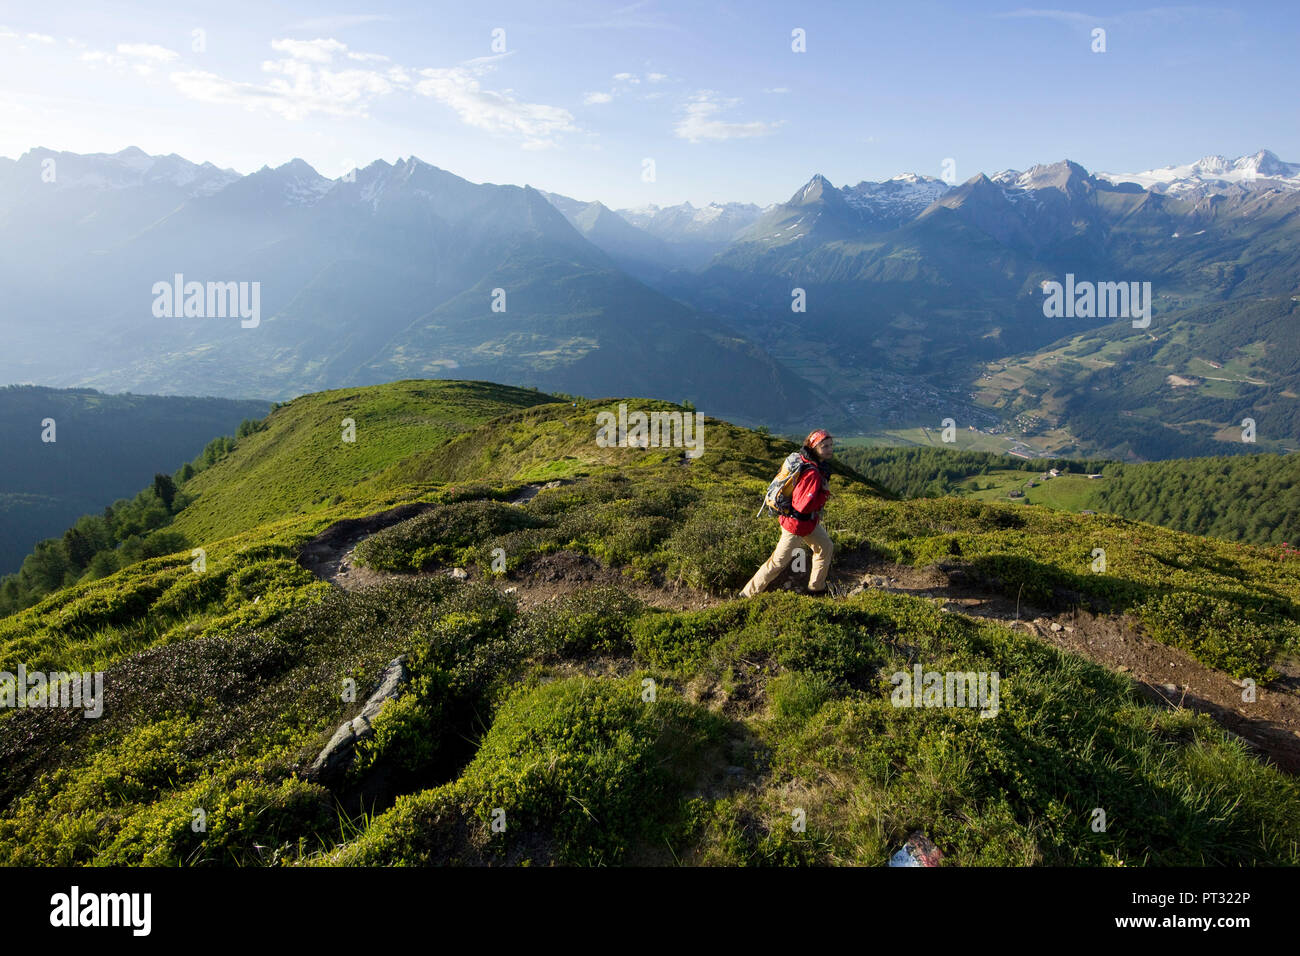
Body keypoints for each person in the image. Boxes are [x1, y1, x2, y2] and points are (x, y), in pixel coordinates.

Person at [741, 429, 835, 597]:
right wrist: (824, 493)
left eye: (830, 445)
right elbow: (802, 507)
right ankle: (747, 594)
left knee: (825, 546)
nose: (829, 449)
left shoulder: (810, 463)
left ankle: (816, 588)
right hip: (796, 525)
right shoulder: (812, 472)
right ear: (814, 447)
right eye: (824, 446)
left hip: (807, 523)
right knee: (777, 562)